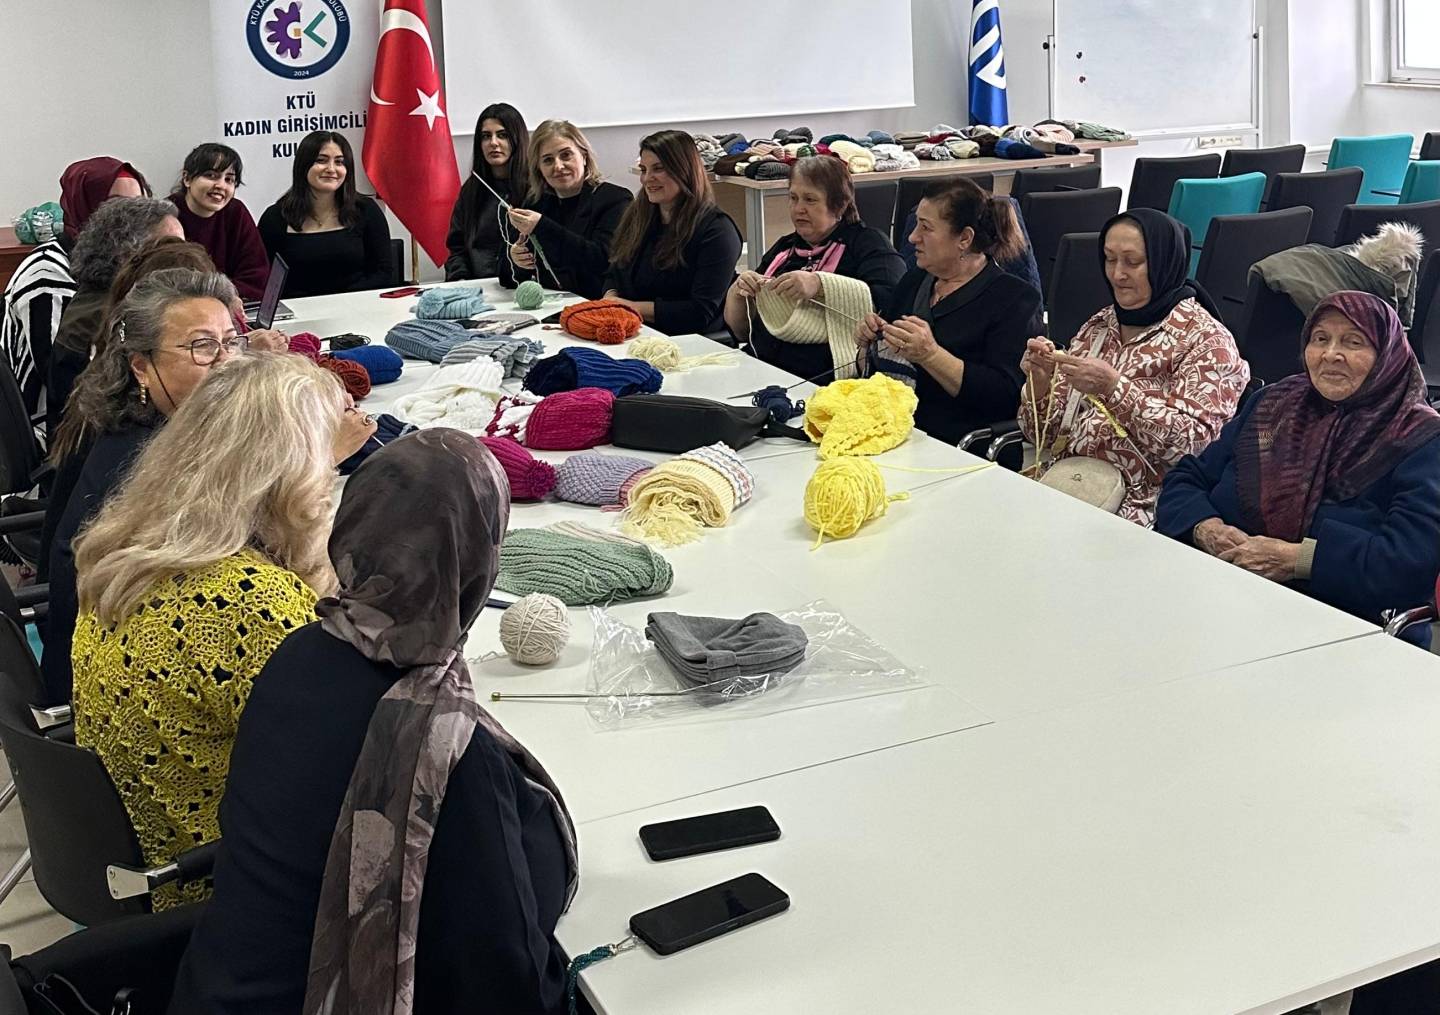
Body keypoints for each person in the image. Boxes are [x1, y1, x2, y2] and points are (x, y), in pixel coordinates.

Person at [169, 429, 577, 1014]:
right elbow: (511, 983)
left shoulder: (296, 654)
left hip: (212, 991)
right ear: (477, 564)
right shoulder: (446, 750)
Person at [70, 353, 353, 907]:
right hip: (227, 889)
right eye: (326, 459)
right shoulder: (249, 602)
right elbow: (342, 773)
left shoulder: (125, 547)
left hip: (148, 860)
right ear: (290, 474)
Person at [42, 266, 376, 706]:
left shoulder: (168, 428)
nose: (226, 362)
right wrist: (320, 458)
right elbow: (254, 554)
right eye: (202, 346)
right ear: (141, 367)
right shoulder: (137, 461)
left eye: (230, 342)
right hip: (129, 685)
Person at [1156, 292, 1440, 644]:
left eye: (1353, 342)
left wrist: (1297, 560)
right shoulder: (1273, 405)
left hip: (1340, 627)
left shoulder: (1420, 438)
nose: (1331, 354)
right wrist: (1206, 529)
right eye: (1320, 339)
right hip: (1221, 594)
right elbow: (1186, 480)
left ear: (1388, 355)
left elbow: (1410, 563)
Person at [1020, 209, 1250, 525]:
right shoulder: (1099, 326)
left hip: (1143, 510)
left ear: (1164, 263)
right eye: (1109, 259)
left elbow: (1196, 448)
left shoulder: (1207, 341)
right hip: (1069, 487)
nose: (1117, 274)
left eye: (1132, 262)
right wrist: (1039, 383)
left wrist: (1114, 388)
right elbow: (1041, 438)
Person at [852, 177, 1043, 445]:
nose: (912, 237)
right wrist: (867, 345)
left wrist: (931, 355)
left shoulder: (1016, 300)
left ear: (964, 238)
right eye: (916, 224)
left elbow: (1006, 397)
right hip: (892, 427)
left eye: (925, 227)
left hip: (959, 443)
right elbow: (881, 373)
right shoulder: (914, 280)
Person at [726, 156, 905, 382]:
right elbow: (742, 332)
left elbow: (893, 302)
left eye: (810, 200)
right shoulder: (784, 249)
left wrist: (821, 285)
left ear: (840, 204)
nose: (798, 209)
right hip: (761, 367)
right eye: (793, 198)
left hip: (820, 380)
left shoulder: (868, 244)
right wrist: (738, 294)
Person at [1, 157, 149, 416]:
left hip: (104, 397)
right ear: (85, 206)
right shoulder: (47, 273)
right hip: (48, 418)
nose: (129, 218)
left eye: (137, 206)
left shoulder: (117, 259)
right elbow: (61, 378)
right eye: (115, 205)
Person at [48, 197, 183, 438]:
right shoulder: (109, 317)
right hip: (104, 445)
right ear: (130, 254)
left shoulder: (98, 297)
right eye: (171, 247)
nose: (183, 257)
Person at [604, 130, 742, 335]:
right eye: (643, 170)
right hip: (634, 329)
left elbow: (700, 311)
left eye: (658, 169)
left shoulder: (717, 231)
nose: (647, 178)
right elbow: (615, 271)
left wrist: (629, 307)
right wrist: (610, 297)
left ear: (684, 170)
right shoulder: (638, 217)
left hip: (690, 340)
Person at [499, 118, 631, 299]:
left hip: (596, 306)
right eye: (548, 160)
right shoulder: (535, 203)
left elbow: (602, 263)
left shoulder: (615, 199)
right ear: (538, 168)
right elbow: (506, 278)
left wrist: (542, 226)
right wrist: (515, 260)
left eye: (566, 155)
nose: (558, 166)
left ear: (584, 156)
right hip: (548, 308)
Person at [257, 131, 393, 297]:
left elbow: (383, 272)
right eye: (321, 160)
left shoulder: (366, 210)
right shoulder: (275, 217)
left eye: (339, 162)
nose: (331, 169)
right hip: (297, 309)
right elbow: (264, 278)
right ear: (303, 165)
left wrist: (342, 301)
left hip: (357, 305)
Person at [169, 143, 270, 301]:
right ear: (187, 179)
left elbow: (256, 276)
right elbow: (163, 283)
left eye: (229, 179)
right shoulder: (166, 216)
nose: (221, 185)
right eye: (211, 176)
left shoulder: (236, 212)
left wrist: (225, 296)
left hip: (231, 305)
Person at [446, 103, 529, 280]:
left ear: (517, 138)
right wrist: (460, 280)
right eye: (486, 136)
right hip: (477, 286)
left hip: (524, 285)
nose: (493, 143)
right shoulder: (471, 190)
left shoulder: (535, 188)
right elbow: (457, 249)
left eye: (502, 135)